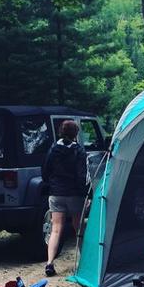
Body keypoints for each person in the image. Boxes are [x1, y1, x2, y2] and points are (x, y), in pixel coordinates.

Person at [41, 119, 87, 277]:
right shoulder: (79, 151)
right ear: (76, 134)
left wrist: (51, 184)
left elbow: (45, 170)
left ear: (61, 132)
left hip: (56, 193)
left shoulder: (53, 149)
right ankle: (84, 261)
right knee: (78, 227)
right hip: (75, 194)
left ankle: (49, 263)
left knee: (56, 229)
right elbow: (82, 175)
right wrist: (85, 193)